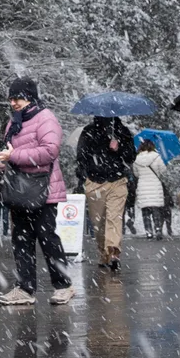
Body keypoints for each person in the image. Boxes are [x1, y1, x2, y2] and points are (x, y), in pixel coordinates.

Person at [0, 78, 72, 304]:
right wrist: (4, 161)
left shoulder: (45, 118)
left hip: (44, 189)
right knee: (21, 239)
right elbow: (13, 152)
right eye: (11, 98)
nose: (14, 103)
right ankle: (25, 288)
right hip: (20, 189)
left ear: (30, 97)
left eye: (18, 98)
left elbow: (49, 152)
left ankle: (63, 285)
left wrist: (14, 156)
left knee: (47, 238)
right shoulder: (13, 123)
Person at [74, 113, 138, 274]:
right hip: (95, 182)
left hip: (117, 181)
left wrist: (119, 147)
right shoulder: (89, 131)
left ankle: (114, 252)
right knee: (98, 223)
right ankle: (104, 253)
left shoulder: (122, 131)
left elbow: (131, 156)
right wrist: (85, 175)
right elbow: (81, 156)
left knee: (114, 217)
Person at [133, 138, 171, 237]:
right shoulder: (156, 157)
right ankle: (158, 228)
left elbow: (136, 174)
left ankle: (148, 231)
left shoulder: (137, 159)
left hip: (142, 187)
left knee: (145, 211)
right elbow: (163, 171)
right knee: (156, 209)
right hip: (155, 186)